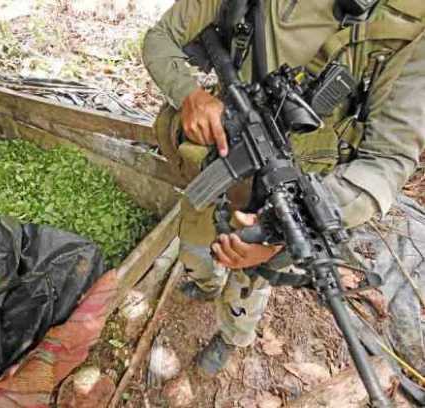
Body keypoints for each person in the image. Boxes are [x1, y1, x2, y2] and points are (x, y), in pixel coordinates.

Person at [143, 0, 425, 377]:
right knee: (195, 241)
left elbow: (388, 159)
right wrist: (189, 94)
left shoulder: (412, 25)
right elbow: (160, 38)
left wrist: (290, 227)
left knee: (250, 281)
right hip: (223, 149)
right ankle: (204, 282)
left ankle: (232, 337)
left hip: (294, 185)